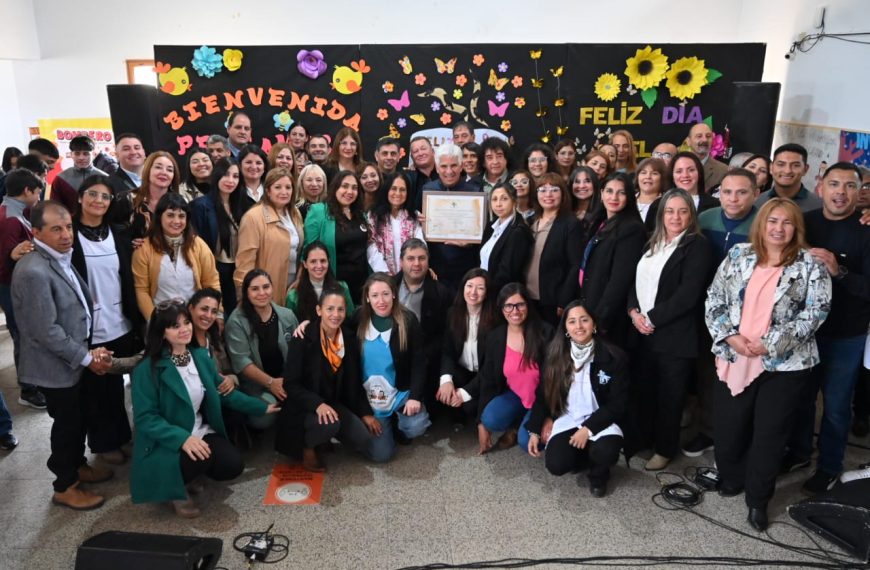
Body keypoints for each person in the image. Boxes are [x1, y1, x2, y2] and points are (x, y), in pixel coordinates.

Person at [705, 198, 831, 531]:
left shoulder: (809, 264)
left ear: (796, 228)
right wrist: (729, 336)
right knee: (729, 428)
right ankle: (732, 478)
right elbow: (714, 297)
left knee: (769, 435)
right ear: (762, 224)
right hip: (735, 356)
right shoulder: (738, 255)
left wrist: (771, 343)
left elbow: (816, 312)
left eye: (787, 223)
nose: (778, 228)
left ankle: (758, 500)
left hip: (785, 365)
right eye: (772, 221)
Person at [130, 300, 278, 518]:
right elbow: (145, 418)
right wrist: (182, 439)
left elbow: (224, 394)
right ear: (162, 333)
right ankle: (176, 492)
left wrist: (261, 407)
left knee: (232, 464)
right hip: (165, 441)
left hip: (198, 430)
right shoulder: (147, 370)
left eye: (186, 322)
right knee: (198, 456)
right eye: (175, 326)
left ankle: (189, 475)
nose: (184, 329)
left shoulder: (199, 357)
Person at [12, 201, 113, 510]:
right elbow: (46, 331)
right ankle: (64, 485)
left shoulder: (58, 258)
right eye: (56, 229)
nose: (66, 234)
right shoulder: (33, 271)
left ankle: (78, 465)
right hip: (53, 366)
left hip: (72, 359)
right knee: (67, 425)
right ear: (37, 232)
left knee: (79, 416)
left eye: (68, 226)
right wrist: (86, 358)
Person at [789, 163, 870, 494]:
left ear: (859, 191)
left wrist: (840, 272)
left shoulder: (866, 229)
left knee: (836, 405)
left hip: (846, 333)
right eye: (833, 184)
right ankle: (798, 453)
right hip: (804, 330)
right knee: (801, 398)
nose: (840, 192)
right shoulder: (804, 224)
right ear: (820, 186)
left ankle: (830, 465)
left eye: (849, 186)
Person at [626, 189, 712, 470]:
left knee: (670, 397)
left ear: (691, 214)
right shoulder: (654, 242)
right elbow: (634, 281)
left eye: (682, 211)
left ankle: (665, 449)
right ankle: (645, 440)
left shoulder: (697, 246)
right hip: (643, 332)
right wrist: (633, 312)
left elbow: (688, 295)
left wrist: (651, 318)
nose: (675, 217)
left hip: (674, 336)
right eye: (670, 211)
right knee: (646, 390)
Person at [685, 169, 760, 458]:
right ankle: (708, 431)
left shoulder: (763, 223)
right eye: (727, 191)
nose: (733, 198)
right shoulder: (705, 219)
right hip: (706, 311)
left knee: (740, 379)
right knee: (708, 374)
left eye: (742, 192)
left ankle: (736, 438)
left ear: (755, 193)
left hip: (746, 318)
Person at [72, 175, 143, 465]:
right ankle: (105, 442)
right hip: (90, 325)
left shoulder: (118, 233)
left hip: (122, 318)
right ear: (80, 197)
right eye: (93, 195)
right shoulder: (69, 234)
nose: (99, 201)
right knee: (100, 389)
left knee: (125, 383)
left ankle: (124, 436)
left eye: (105, 197)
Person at [526, 301, 628, 497]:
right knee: (556, 465)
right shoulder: (554, 354)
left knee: (605, 451)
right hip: (569, 417)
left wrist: (588, 429)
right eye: (572, 321)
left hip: (601, 419)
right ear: (565, 328)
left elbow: (618, 404)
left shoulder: (614, 357)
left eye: (584, 320)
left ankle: (599, 474)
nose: (579, 326)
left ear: (594, 324)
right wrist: (535, 430)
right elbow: (542, 395)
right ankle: (584, 454)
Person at [275, 287, 380, 470]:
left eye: (340, 309)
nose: (335, 314)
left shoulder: (348, 338)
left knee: (362, 437)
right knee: (330, 423)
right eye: (329, 309)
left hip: (333, 402)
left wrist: (365, 413)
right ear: (319, 310)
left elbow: (354, 382)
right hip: (304, 406)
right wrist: (317, 404)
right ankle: (307, 448)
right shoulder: (303, 338)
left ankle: (322, 437)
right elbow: (290, 384)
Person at [352, 273, 431, 462]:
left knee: (416, 425)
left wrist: (414, 398)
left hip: (399, 394)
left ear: (394, 294)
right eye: (375, 295)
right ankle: (382, 429)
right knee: (381, 456)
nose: (381, 300)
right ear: (367, 298)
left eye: (386, 294)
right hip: (370, 398)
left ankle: (398, 424)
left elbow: (419, 362)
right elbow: (330, 328)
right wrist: (363, 412)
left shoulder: (408, 320)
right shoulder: (357, 319)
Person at [478, 283, 552, 454]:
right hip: (517, 395)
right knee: (489, 419)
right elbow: (487, 379)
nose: (515, 311)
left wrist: (549, 416)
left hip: (544, 399)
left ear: (528, 305)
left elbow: (552, 383)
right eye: (508, 306)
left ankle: (528, 426)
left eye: (520, 304)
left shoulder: (545, 332)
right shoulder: (495, 337)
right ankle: (518, 422)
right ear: (501, 309)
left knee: (525, 441)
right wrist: (481, 424)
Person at [577, 172, 646, 346]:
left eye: (621, 193)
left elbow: (620, 281)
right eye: (609, 191)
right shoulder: (600, 222)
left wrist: (600, 318)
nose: (613, 197)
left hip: (608, 318)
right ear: (601, 193)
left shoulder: (632, 229)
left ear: (629, 197)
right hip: (589, 306)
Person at [131, 192, 220, 320]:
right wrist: (155, 323)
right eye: (170, 215)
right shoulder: (143, 249)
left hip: (195, 319)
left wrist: (218, 314)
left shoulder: (198, 245)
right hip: (161, 321)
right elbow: (141, 291)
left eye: (182, 216)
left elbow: (211, 282)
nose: (177, 221)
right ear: (159, 217)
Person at [0, 168, 47, 409]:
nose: (39, 197)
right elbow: (7, 262)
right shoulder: (10, 219)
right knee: (23, 335)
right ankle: (28, 389)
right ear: (27, 191)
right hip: (11, 288)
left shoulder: (16, 212)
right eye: (38, 192)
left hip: (17, 286)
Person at [225, 269, 300, 416]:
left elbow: (298, 353)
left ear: (272, 288)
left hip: (287, 379)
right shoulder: (236, 321)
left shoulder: (287, 315)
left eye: (266, 287)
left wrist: (290, 382)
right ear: (246, 292)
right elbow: (242, 362)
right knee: (265, 416)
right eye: (255, 289)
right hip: (258, 385)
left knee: (299, 402)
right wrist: (271, 383)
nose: (262, 293)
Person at [235, 167, 305, 305]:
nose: (284, 192)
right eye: (278, 187)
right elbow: (245, 262)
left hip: (293, 286)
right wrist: (244, 295)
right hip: (265, 289)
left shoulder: (294, 213)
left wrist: (299, 278)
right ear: (267, 190)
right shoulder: (253, 217)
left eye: (288, 187)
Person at [420, 144, 483, 289]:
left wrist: (470, 242)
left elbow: (483, 232)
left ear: (461, 167)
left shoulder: (475, 191)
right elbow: (416, 226)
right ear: (436, 167)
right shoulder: (428, 190)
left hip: (466, 267)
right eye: (443, 166)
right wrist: (421, 223)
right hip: (435, 268)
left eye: (454, 165)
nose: (449, 171)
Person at [437, 268, 498, 419]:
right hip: (462, 371)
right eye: (469, 286)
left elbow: (492, 366)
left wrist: (464, 393)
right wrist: (446, 380)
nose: (473, 292)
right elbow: (447, 351)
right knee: (443, 392)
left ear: (487, 293)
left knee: (469, 407)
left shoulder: (496, 320)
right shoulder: (453, 313)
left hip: (486, 375)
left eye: (480, 288)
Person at [394, 239, 453, 394]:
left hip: (425, 364)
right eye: (411, 258)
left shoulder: (441, 293)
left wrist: (423, 357)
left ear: (428, 261)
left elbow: (445, 334)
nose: (417, 264)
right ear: (401, 261)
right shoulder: (389, 286)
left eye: (422, 258)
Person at [525, 173, 583, 325]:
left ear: (563, 194)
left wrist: (564, 300)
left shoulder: (571, 224)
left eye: (554, 190)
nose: (548, 194)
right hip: (527, 298)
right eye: (542, 190)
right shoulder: (531, 221)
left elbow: (575, 265)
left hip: (552, 300)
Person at [304, 170, 368, 304]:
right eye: (344, 186)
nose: (349, 191)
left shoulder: (361, 214)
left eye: (354, 188)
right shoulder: (319, 211)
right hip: (334, 284)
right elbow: (309, 249)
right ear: (335, 188)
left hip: (362, 284)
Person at [190, 158, 245, 316]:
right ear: (217, 175)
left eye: (235, 176)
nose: (231, 180)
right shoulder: (201, 206)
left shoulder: (241, 205)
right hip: (215, 269)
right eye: (226, 175)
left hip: (238, 269)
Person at [367, 171, 423, 275]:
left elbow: (420, 245)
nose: (398, 193)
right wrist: (385, 272)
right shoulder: (374, 215)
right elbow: (371, 246)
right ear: (387, 190)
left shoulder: (415, 216)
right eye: (393, 189)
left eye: (402, 190)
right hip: (383, 276)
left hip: (410, 275)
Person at [480, 182, 532, 294]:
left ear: (514, 201)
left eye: (504, 199)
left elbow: (507, 272)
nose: (498, 204)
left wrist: (487, 292)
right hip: (486, 289)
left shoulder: (518, 231)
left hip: (503, 294)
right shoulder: (491, 226)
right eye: (494, 199)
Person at [114, 151, 181, 238]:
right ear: (148, 170)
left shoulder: (179, 203)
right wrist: (129, 242)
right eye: (158, 167)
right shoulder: (125, 199)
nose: (164, 172)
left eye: (169, 170)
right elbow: (115, 232)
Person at [286, 241, 354, 323]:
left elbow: (351, 319)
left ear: (328, 262)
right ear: (305, 264)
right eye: (313, 261)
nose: (319, 266)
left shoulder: (342, 288)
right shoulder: (293, 296)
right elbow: (290, 326)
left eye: (323, 261)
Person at [755, 143, 822, 213]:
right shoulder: (757, 202)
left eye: (795, 165)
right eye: (781, 164)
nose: (787, 171)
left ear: (805, 169)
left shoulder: (819, 206)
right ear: (771, 168)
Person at [685, 122, 728, 190]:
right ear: (688, 141)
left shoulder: (723, 170)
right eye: (699, 136)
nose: (704, 140)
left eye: (708, 136)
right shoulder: (677, 168)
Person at [635, 157, 669, 230]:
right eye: (643, 173)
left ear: (662, 178)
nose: (648, 177)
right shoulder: (627, 200)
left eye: (654, 173)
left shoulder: (667, 203)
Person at [569, 166, 601, 240]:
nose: (582, 186)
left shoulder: (603, 213)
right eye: (577, 182)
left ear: (595, 184)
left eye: (587, 181)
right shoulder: (565, 211)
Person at [405, 136, 438, 207]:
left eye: (423, 149)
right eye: (415, 151)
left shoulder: (445, 174)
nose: (420, 153)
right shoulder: (407, 179)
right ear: (412, 157)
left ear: (433, 151)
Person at [238, 144, 269, 212]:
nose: (254, 167)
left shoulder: (271, 190)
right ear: (240, 166)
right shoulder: (234, 191)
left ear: (264, 167)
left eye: (258, 163)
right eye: (248, 162)